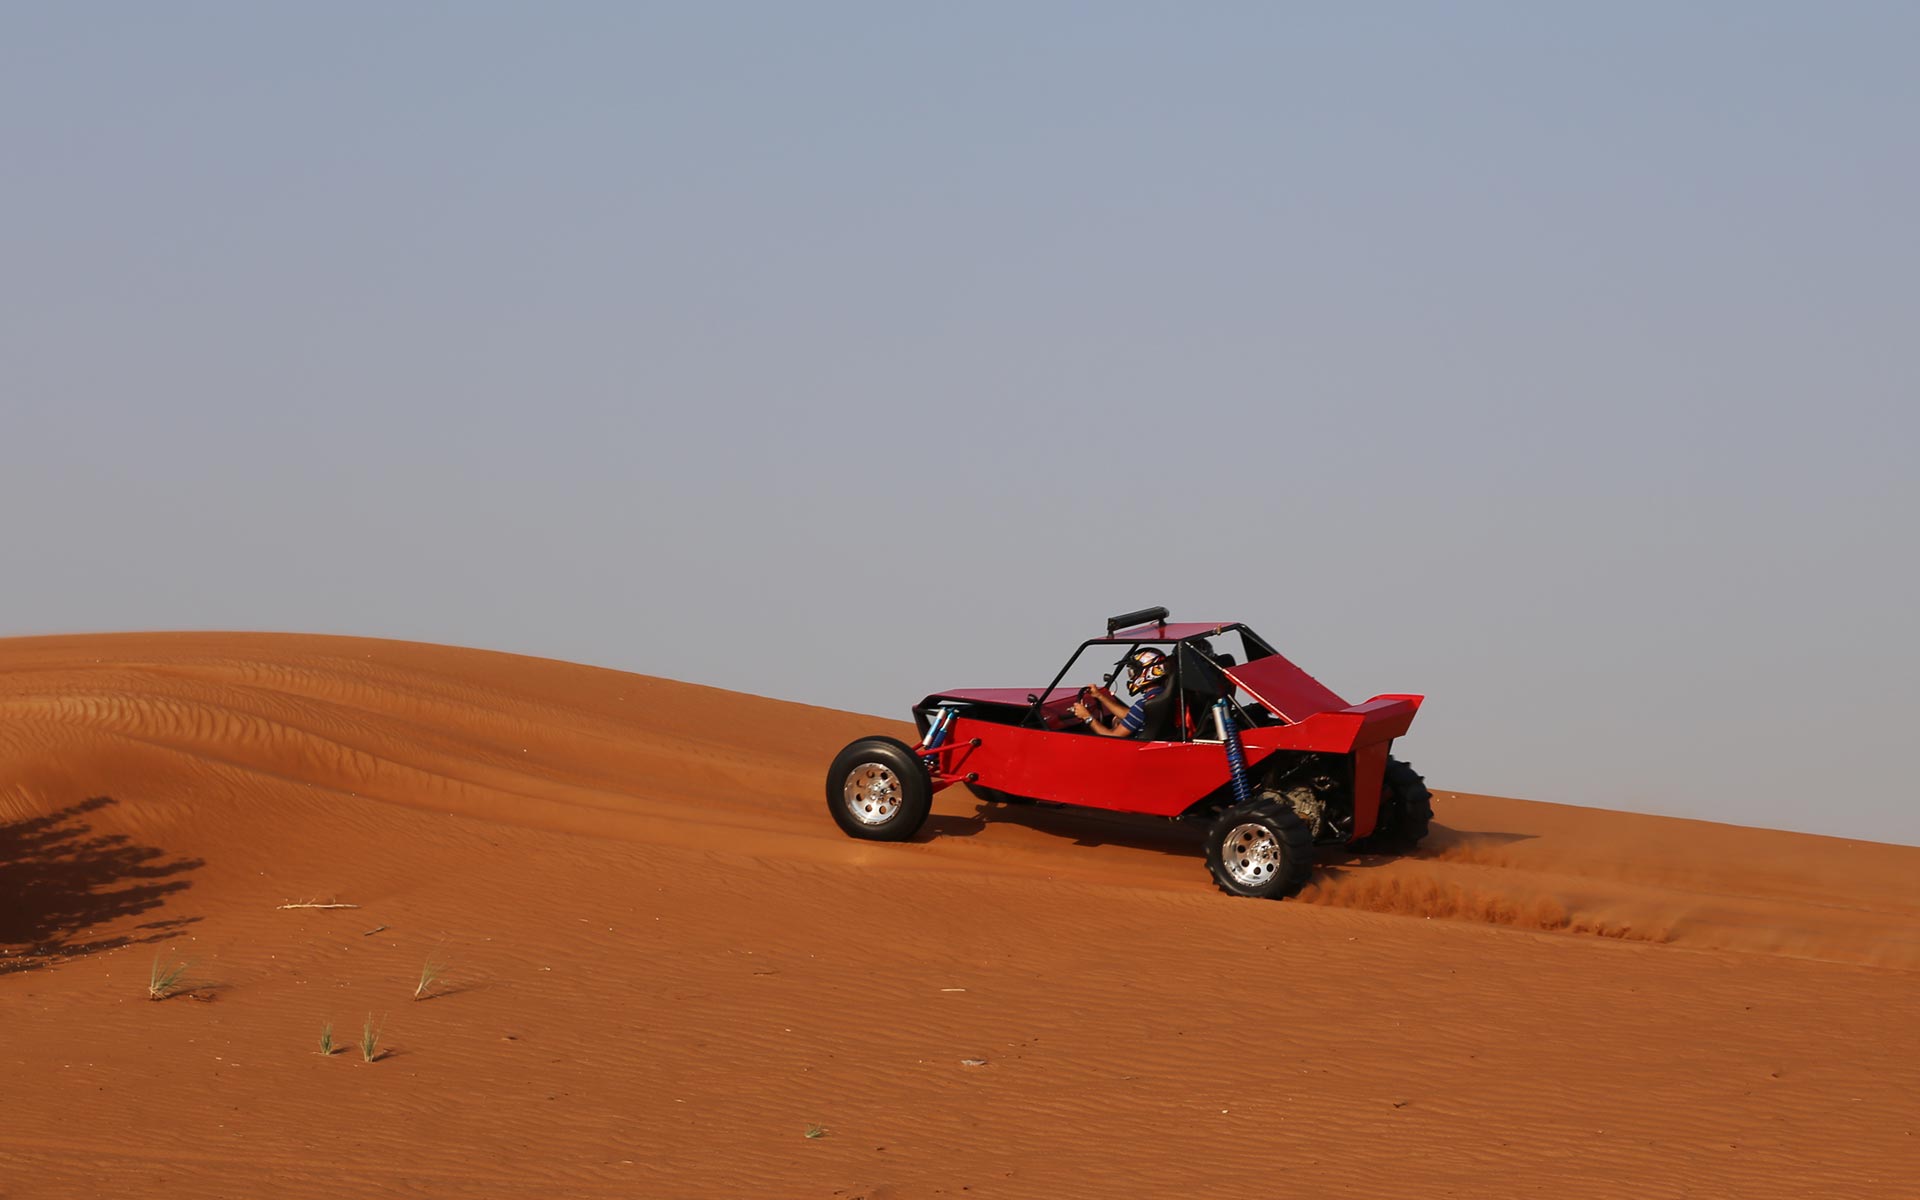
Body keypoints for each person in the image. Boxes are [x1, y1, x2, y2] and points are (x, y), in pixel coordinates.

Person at [1070, 647, 1170, 739]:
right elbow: (1134, 715)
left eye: (1133, 672)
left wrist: (1087, 717)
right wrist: (1100, 696)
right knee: (1118, 719)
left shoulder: (1144, 705)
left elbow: (1113, 737)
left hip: (1135, 752)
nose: (1131, 676)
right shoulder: (1162, 696)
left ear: (1146, 672)